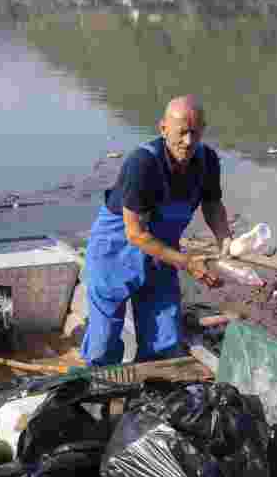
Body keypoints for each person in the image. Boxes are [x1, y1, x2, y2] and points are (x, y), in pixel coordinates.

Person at [81, 95, 233, 366]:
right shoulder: (143, 165)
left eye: (195, 133)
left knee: (164, 342)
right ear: (163, 129)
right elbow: (136, 233)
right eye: (181, 133)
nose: (188, 142)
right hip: (115, 252)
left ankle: (152, 394)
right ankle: (98, 396)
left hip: (161, 254)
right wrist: (188, 263)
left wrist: (226, 241)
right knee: (102, 345)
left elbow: (212, 205)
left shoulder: (207, 160)